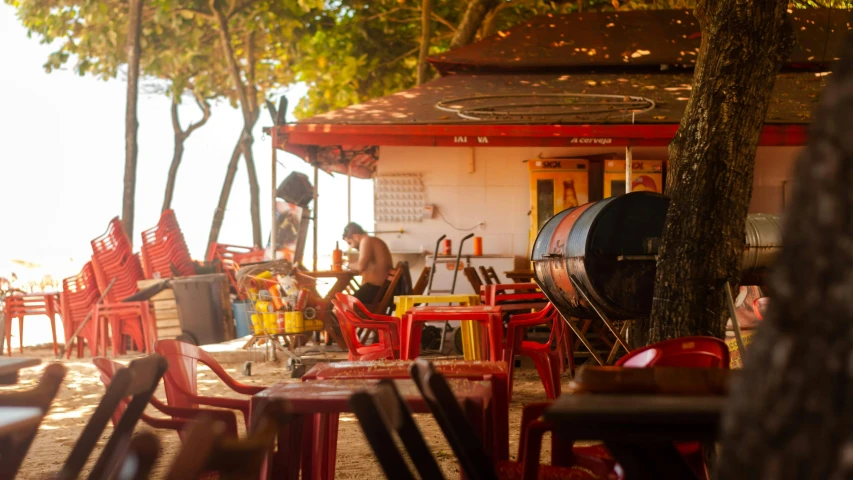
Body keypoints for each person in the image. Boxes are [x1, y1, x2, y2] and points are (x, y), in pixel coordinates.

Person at [342, 222, 393, 305]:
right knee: (344, 304)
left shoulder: (366, 240)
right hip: (381, 290)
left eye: (350, 243)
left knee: (342, 306)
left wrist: (346, 264)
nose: (351, 247)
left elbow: (360, 266)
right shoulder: (372, 240)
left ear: (356, 237)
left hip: (376, 291)